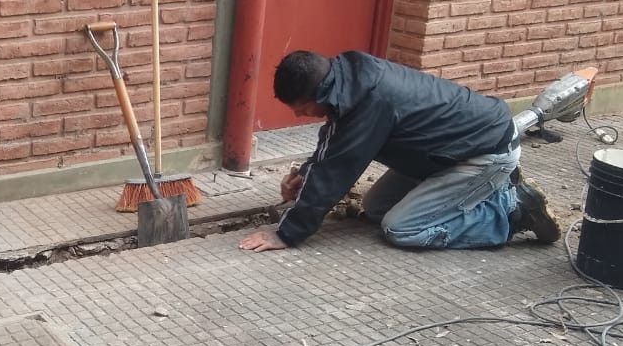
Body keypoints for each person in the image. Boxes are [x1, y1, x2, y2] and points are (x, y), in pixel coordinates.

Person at [238, 50, 561, 252]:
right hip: (445, 154)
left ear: (319, 93)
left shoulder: (369, 101)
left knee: (403, 229)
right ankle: (485, 191)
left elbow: (337, 171)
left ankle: (511, 211)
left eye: (301, 107)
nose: (299, 115)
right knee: (376, 208)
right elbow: (334, 145)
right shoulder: (348, 81)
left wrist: (287, 234)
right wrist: (304, 173)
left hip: (483, 153)